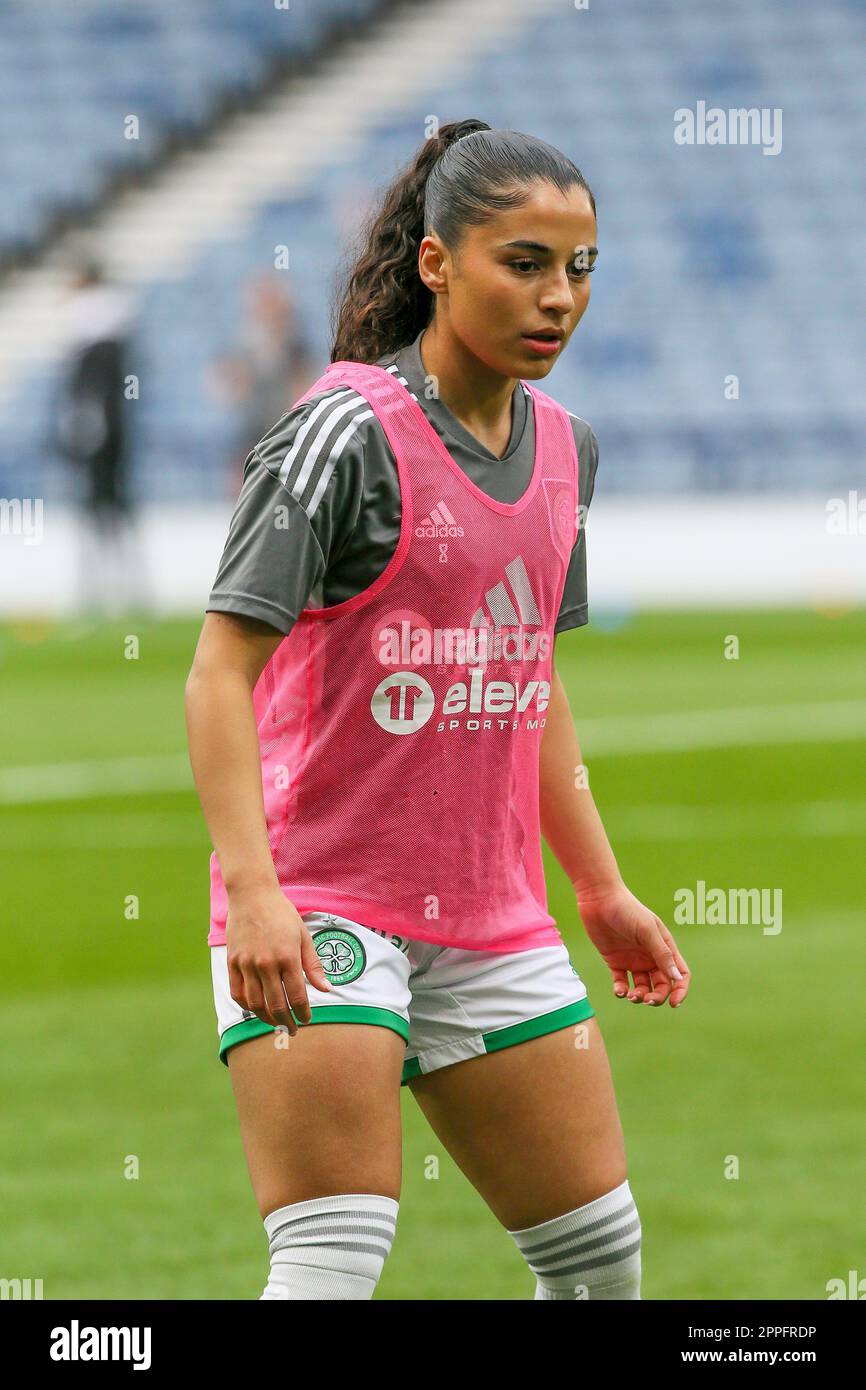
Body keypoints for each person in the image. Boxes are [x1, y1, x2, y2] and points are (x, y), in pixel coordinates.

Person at [185, 120, 690, 1302]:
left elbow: (531, 680)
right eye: (522, 262)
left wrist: (600, 886)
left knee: (599, 1260)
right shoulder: (340, 433)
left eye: (578, 269)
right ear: (434, 264)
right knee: (330, 1263)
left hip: (493, 916)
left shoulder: (569, 449)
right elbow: (217, 675)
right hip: (321, 903)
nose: (557, 296)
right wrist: (252, 890)